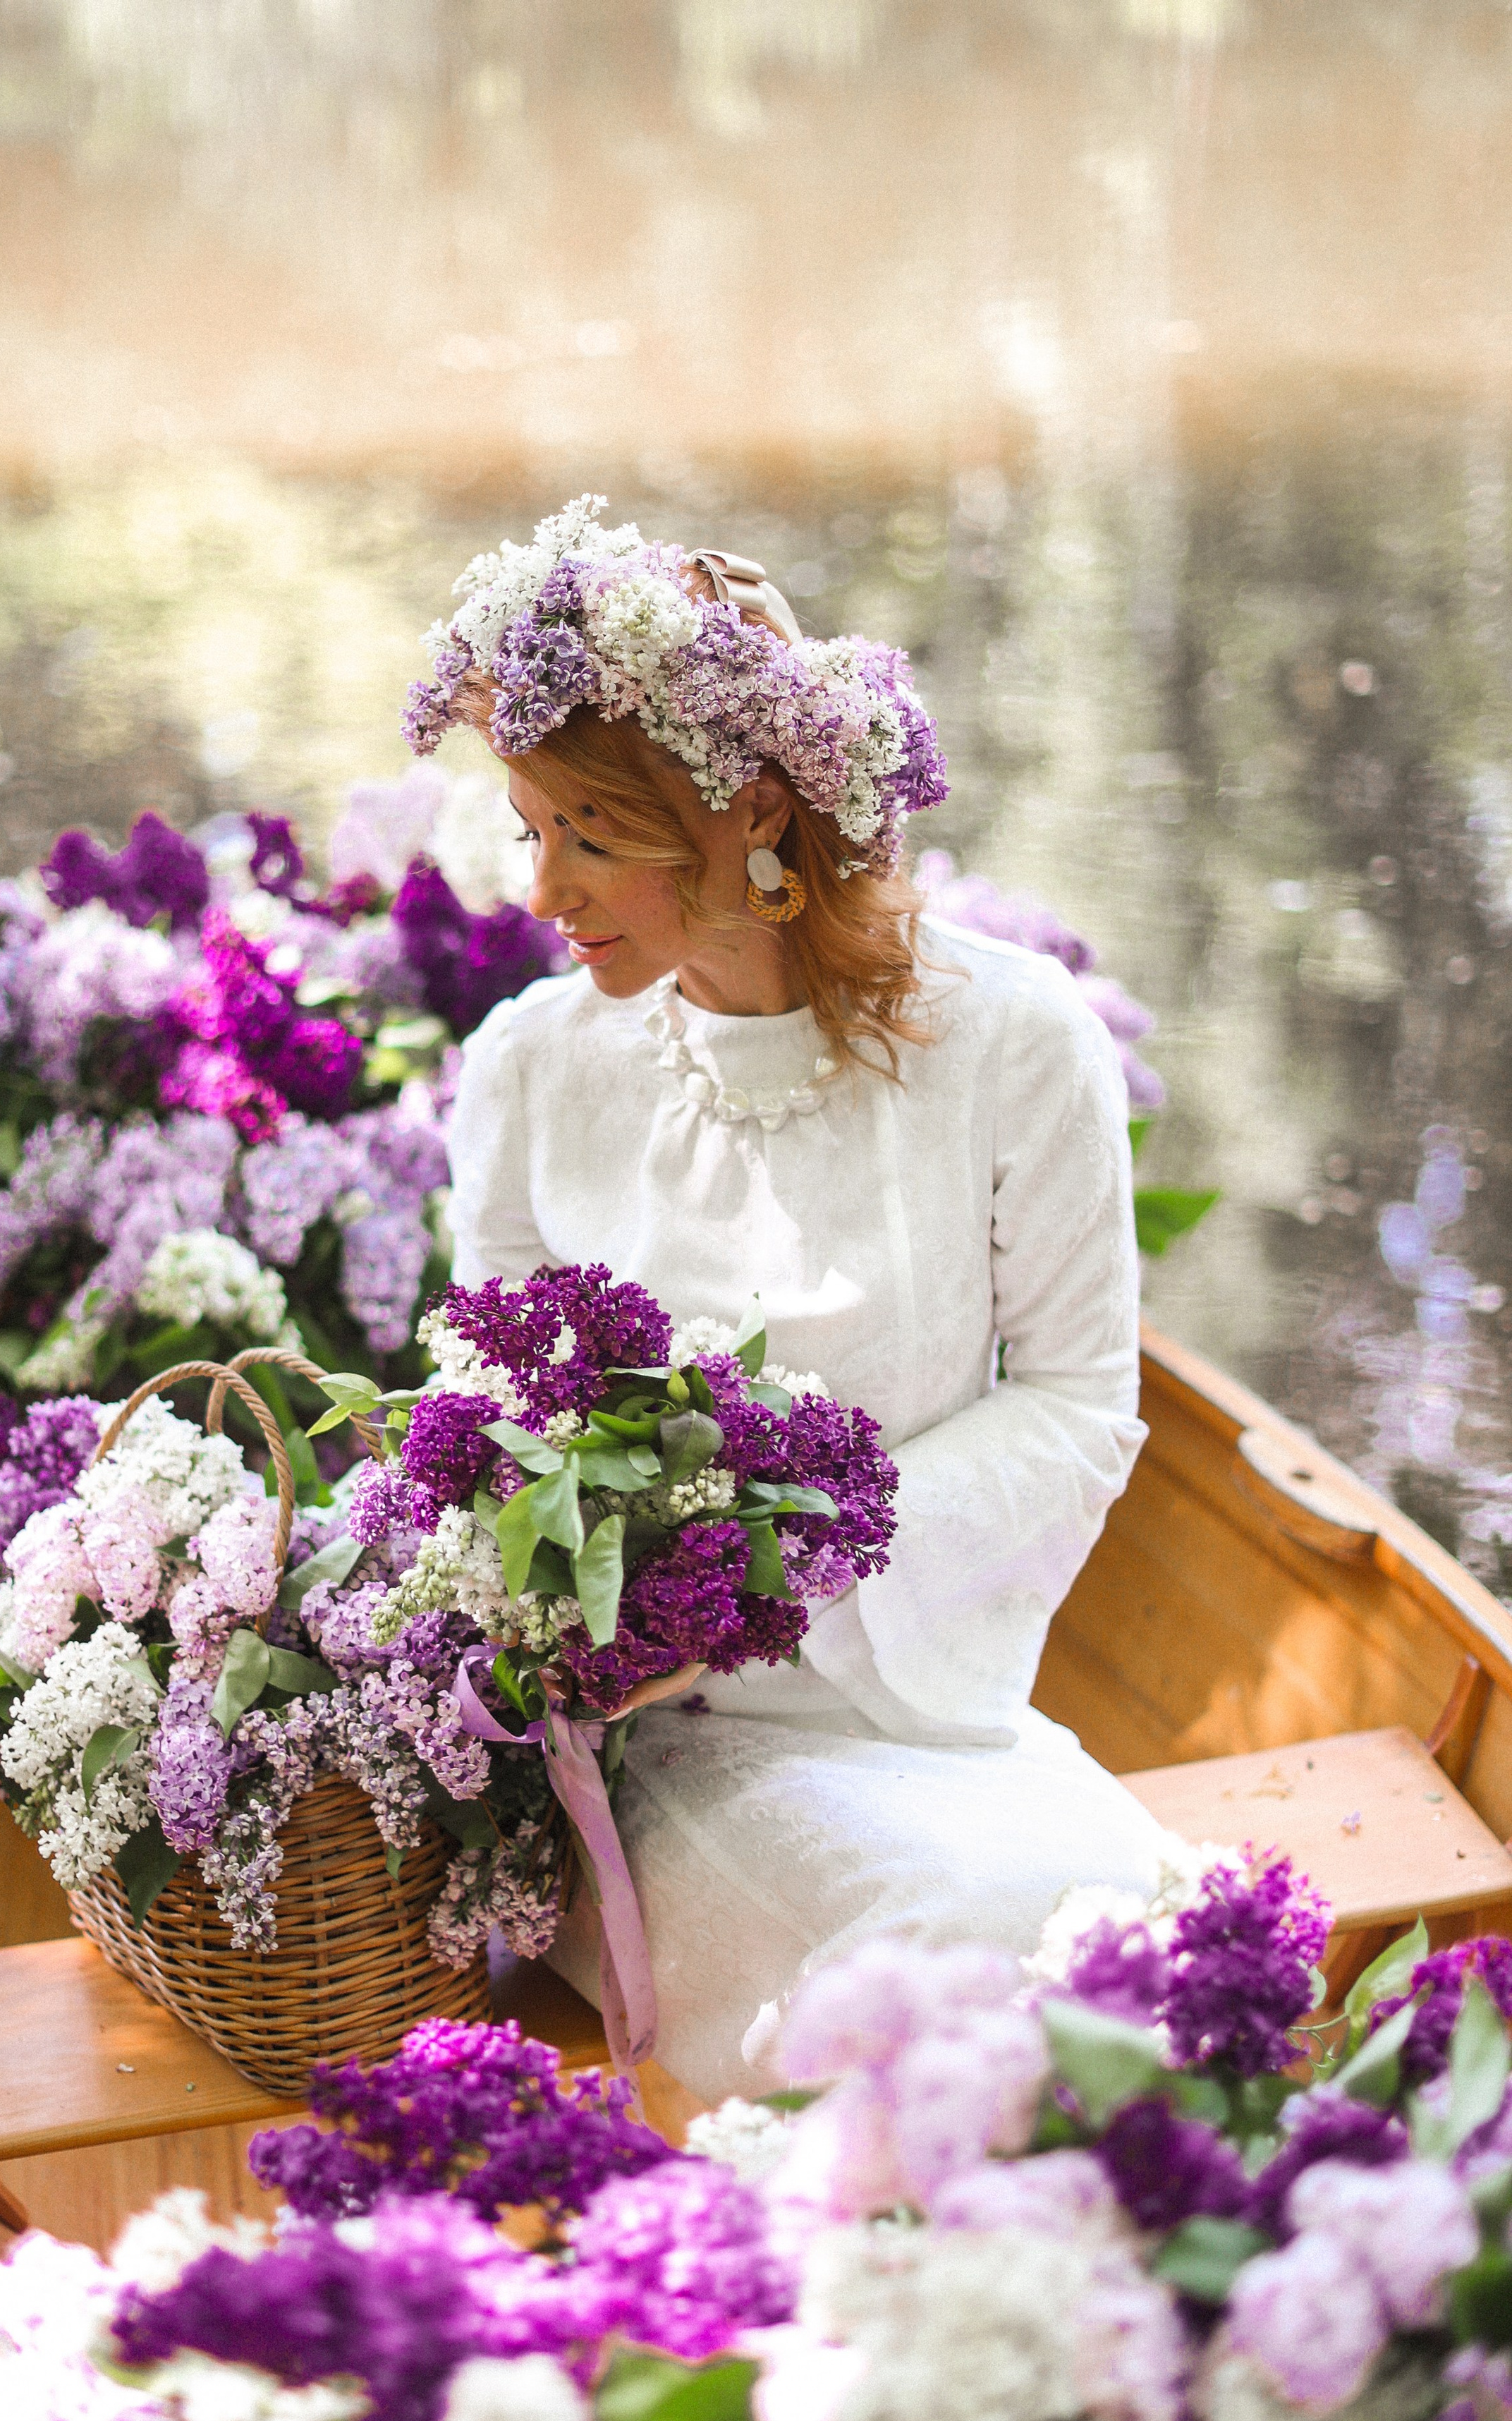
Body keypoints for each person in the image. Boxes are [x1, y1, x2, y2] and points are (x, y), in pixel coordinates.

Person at [405, 499, 1167, 2103]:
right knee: (941, 1955)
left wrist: (784, 1561)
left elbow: (1081, 1400)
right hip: (646, 1745)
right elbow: (485, 1425)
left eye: (587, 835)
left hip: (920, 1696)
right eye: (526, 828)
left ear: (747, 812)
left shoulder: (1017, 1045)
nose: (541, 887)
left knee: (1130, 1929)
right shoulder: (532, 1070)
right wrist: (611, 1629)